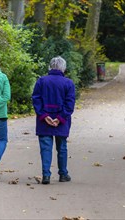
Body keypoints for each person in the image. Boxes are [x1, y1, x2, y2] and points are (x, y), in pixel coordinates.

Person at [31, 56, 76, 185]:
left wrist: (44, 116)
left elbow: (36, 99)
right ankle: (63, 174)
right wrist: (60, 118)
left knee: (45, 147)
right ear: (63, 68)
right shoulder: (68, 83)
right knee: (62, 147)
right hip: (61, 120)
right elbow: (70, 104)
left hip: (43, 120)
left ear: (50, 66)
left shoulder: (41, 81)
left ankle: (46, 175)